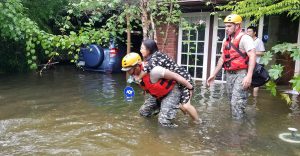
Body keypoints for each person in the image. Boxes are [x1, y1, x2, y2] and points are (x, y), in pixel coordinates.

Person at [121, 53, 194, 127]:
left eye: (129, 70)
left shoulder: (154, 70)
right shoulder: (135, 75)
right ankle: (150, 129)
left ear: (137, 66)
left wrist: (190, 87)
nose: (128, 73)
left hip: (171, 91)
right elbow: (146, 85)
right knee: (143, 112)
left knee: (163, 121)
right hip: (159, 94)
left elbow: (176, 76)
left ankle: (177, 133)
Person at [136, 39, 199, 122]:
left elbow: (147, 69)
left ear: (149, 49)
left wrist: (137, 78)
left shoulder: (156, 57)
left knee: (186, 106)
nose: (140, 50)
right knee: (183, 106)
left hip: (184, 79)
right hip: (177, 81)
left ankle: (198, 122)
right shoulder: (154, 56)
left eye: (142, 48)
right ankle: (181, 109)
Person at [206, 14, 256, 119]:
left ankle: (238, 130)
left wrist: (249, 76)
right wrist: (213, 75)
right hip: (229, 74)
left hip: (242, 74)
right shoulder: (226, 41)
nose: (226, 29)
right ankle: (239, 125)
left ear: (237, 26)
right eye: (225, 26)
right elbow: (222, 59)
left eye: (229, 26)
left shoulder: (245, 38)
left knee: (237, 103)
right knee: (231, 103)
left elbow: (252, 56)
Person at [247, 26, 266, 97]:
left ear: (254, 33)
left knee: (256, 81)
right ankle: (248, 96)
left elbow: (262, 53)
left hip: (257, 63)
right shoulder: (247, 41)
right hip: (248, 63)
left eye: (249, 31)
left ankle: (255, 98)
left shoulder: (259, 41)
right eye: (247, 31)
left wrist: (252, 52)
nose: (248, 33)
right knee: (248, 79)